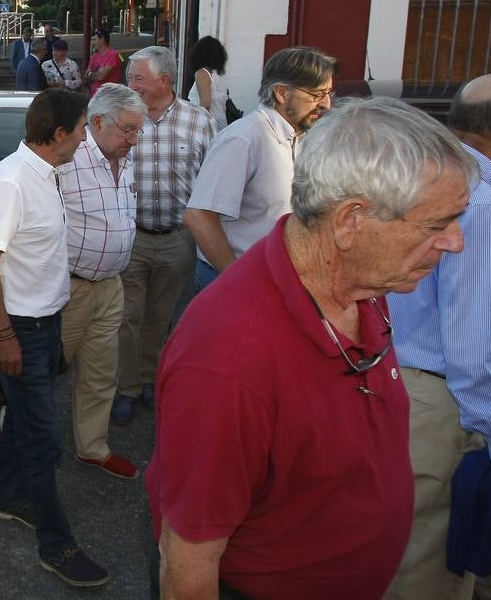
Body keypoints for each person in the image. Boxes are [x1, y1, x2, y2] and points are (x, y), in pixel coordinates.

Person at [149, 97, 477, 600]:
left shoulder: (361, 285)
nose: (456, 241)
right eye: (439, 223)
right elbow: (188, 565)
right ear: (351, 220)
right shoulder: (230, 358)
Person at [346, 74, 491, 600]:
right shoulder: (477, 199)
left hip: (409, 381)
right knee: (415, 561)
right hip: (444, 398)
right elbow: (472, 348)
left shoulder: (431, 174)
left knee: (444, 554)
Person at [0, 89, 110, 589]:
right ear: (59, 135)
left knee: (25, 418)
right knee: (42, 436)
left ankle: (8, 497)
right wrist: (4, 334)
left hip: (44, 321)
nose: (84, 137)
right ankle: (57, 545)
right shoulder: (12, 181)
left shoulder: (45, 173)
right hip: (22, 328)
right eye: (81, 129)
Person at [112, 47, 214, 425]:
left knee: (161, 317)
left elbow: (211, 179)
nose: (130, 84)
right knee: (127, 318)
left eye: (138, 78)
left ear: (165, 82)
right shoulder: (122, 118)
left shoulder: (199, 122)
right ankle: (126, 389)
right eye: (130, 77)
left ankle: (149, 380)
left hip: (178, 239)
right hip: (131, 237)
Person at [183, 47, 336, 293]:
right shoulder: (244, 138)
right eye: (317, 94)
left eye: (329, 93)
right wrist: (238, 279)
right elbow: (198, 217)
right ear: (282, 93)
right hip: (235, 283)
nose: (327, 104)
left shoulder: (301, 138)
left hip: (275, 280)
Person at [58, 84, 143, 480]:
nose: (134, 139)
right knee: (45, 369)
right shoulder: (66, 159)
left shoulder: (125, 158)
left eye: (137, 130)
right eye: (127, 130)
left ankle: (92, 447)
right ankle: (25, 441)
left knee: (100, 372)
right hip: (69, 288)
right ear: (96, 122)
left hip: (111, 285)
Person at [186, 35, 230, 131]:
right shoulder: (220, 76)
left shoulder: (202, 74)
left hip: (207, 128)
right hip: (221, 125)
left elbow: (205, 104)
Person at [84, 29, 120, 95]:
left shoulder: (113, 55)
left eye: (94, 39)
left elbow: (101, 76)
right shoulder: (95, 56)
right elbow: (86, 74)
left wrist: (91, 74)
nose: (92, 43)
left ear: (102, 39)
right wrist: (94, 73)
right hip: (94, 96)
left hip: (108, 97)